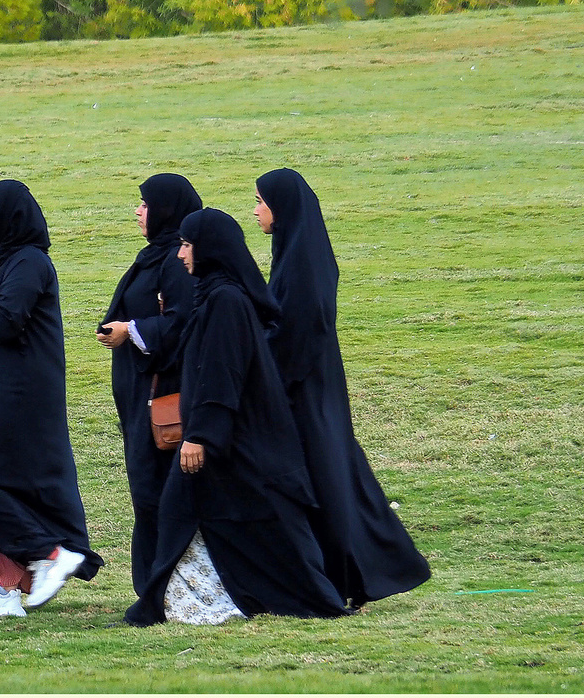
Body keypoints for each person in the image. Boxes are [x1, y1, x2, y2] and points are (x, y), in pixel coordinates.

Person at [126, 208, 348, 626]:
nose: (180, 256)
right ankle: (192, 599)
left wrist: (201, 436)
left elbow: (221, 375)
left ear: (210, 249)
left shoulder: (226, 301)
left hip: (233, 441)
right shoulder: (214, 294)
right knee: (203, 514)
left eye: (188, 245)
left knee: (233, 517)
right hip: (229, 440)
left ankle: (225, 600)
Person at [254, 168, 431, 607]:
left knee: (326, 474)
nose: (255, 211)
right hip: (312, 384)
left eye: (260, 201)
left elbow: (302, 327)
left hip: (306, 388)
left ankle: (352, 574)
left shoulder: (302, 261)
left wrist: (270, 375)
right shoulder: (296, 251)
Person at [0, 179, 104, 618]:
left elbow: (3, 323)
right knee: (3, 488)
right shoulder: (7, 262)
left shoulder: (30, 263)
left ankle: (51, 555)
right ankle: (5, 591)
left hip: (18, 395)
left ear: (7, 220)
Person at [96, 173, 202, 597]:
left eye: (145, 204)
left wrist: (134, 330)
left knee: (157, 491)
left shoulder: (179, 258)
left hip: (165, 397)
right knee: (147, 491)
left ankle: (166, 590)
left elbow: (186, 322)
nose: (139, 211)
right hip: (139, 394)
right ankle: (157, 588)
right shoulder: (157, 253)